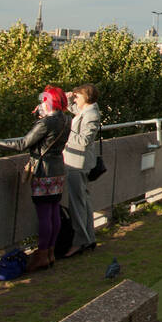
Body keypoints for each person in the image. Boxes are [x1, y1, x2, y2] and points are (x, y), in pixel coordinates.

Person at [0, 86, 71, 272]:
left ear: (49, 102)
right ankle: (50, 253)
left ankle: (41, 255)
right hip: (58, 169)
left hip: (43, 172)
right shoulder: (67, 119)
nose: (41, 104)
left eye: (44, 100)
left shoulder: (46, 123)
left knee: (44, 215)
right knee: (54, 211)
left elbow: (22, 144)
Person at [61, 83, 102, 258]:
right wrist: (66, 96)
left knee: (77, 205)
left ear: (86, 96)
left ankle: (80, 242)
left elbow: (84, 140)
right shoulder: (85, 111)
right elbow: (69, 108)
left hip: (78, 164)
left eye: (77, 96)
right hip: (77, 162)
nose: (75, 99)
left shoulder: (91, 114)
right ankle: (89, 238)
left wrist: (64, 131)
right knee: (83, 202)